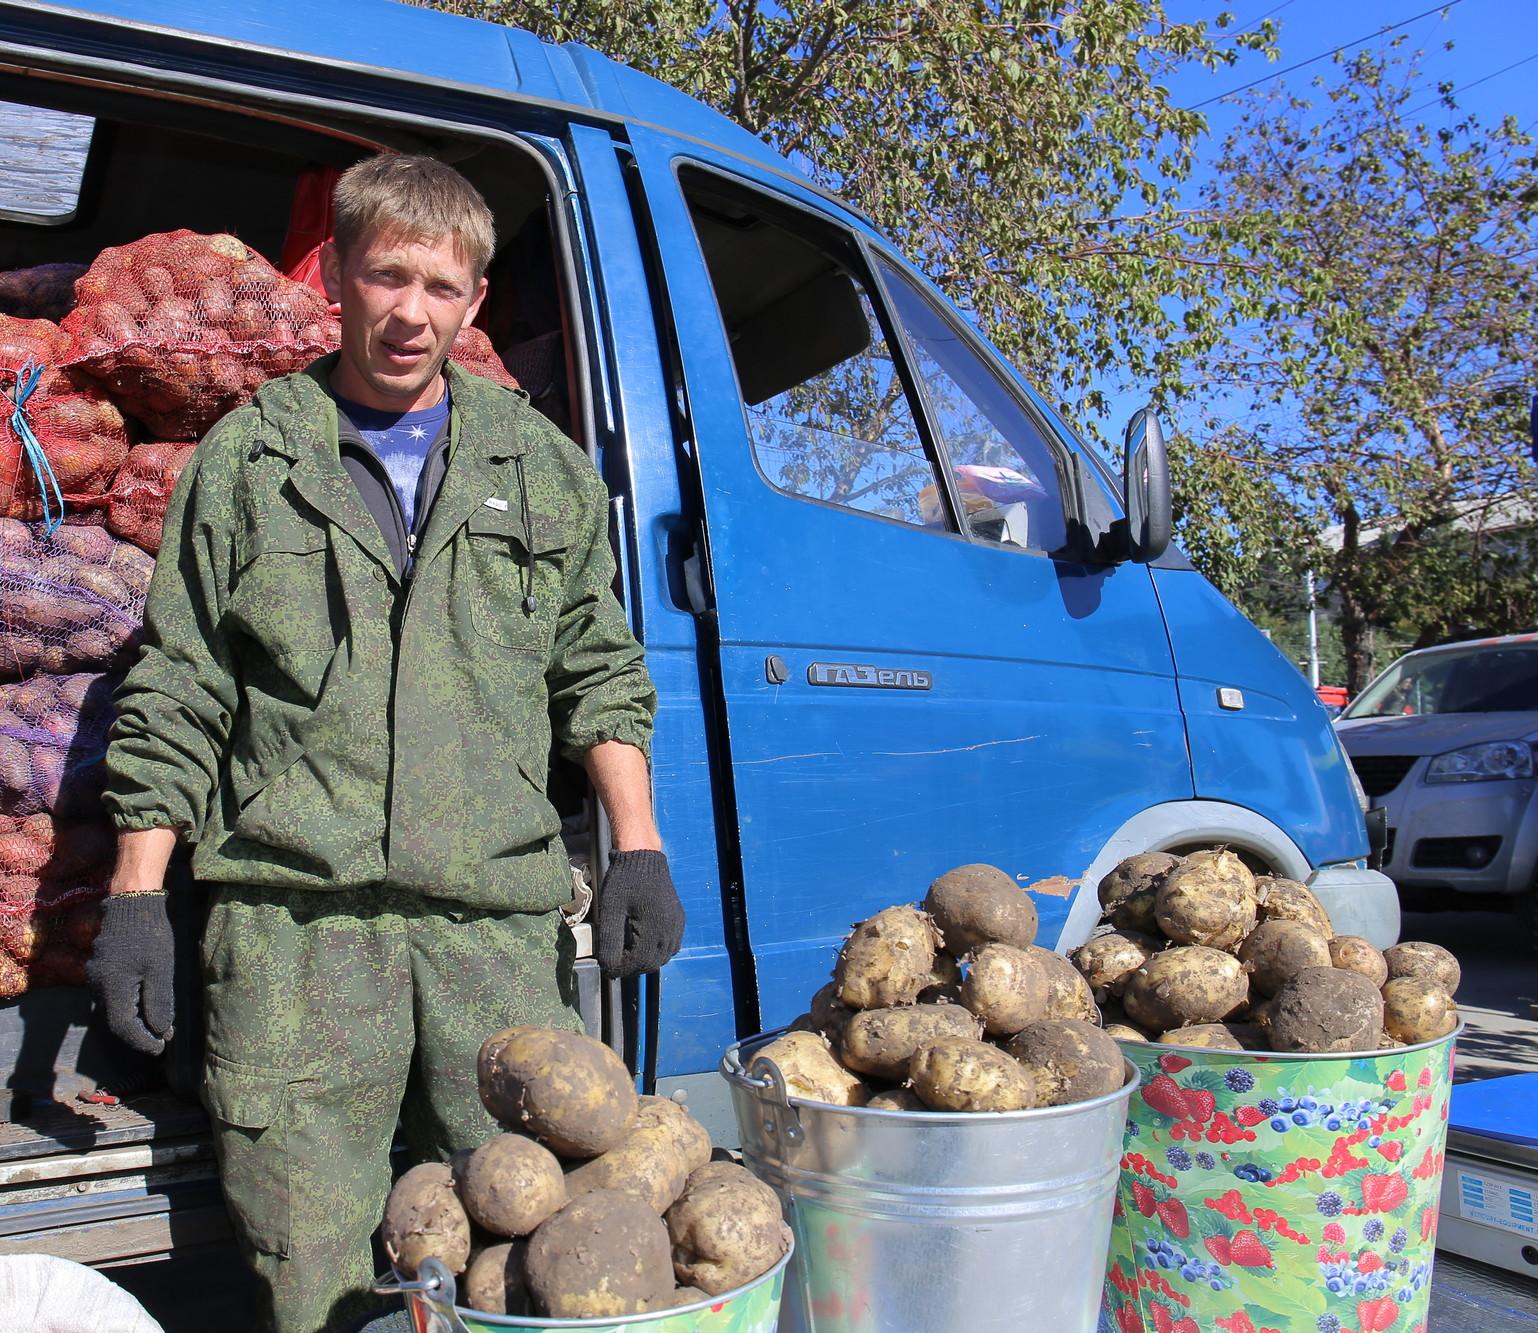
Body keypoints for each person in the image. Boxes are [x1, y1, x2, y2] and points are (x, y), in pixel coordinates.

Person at [85, 154, 684, 1332]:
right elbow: (182, 686)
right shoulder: (252, 462)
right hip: (298, 939)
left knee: (524, 1260)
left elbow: (597, 669)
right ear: (339, 282)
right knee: (306, 1271)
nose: (411, 311)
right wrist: (139, 896)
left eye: (441, 286)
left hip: (491, 939)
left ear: (472, 300)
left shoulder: (539, 469)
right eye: (387, 276)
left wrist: (638, 843)